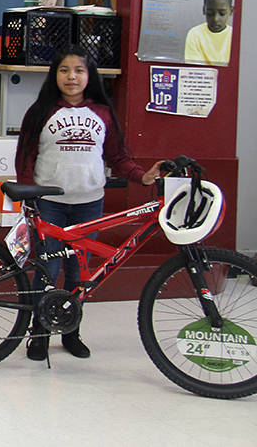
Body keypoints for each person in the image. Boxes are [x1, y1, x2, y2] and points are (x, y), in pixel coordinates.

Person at [15, 51, 162, 361]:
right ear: (54, 75)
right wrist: (29, 199)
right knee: (47, 270)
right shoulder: (40, 111)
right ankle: (39, 334)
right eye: (64, 70)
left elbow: (118, 157)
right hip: (49, 204)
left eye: (79, 70)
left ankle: (70, 331)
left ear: (89, 75)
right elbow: (25, 156)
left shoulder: (102, 113)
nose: (71, 77)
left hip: (88, 206)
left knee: (77, 274)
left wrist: (142, 176)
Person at [184, 0, 233, 66]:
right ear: (204, 10)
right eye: (210, 13)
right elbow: (193, 69)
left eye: (222, 13)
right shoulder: (195, 34)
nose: (216, 19)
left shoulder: (234, 36)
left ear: (231, 11)